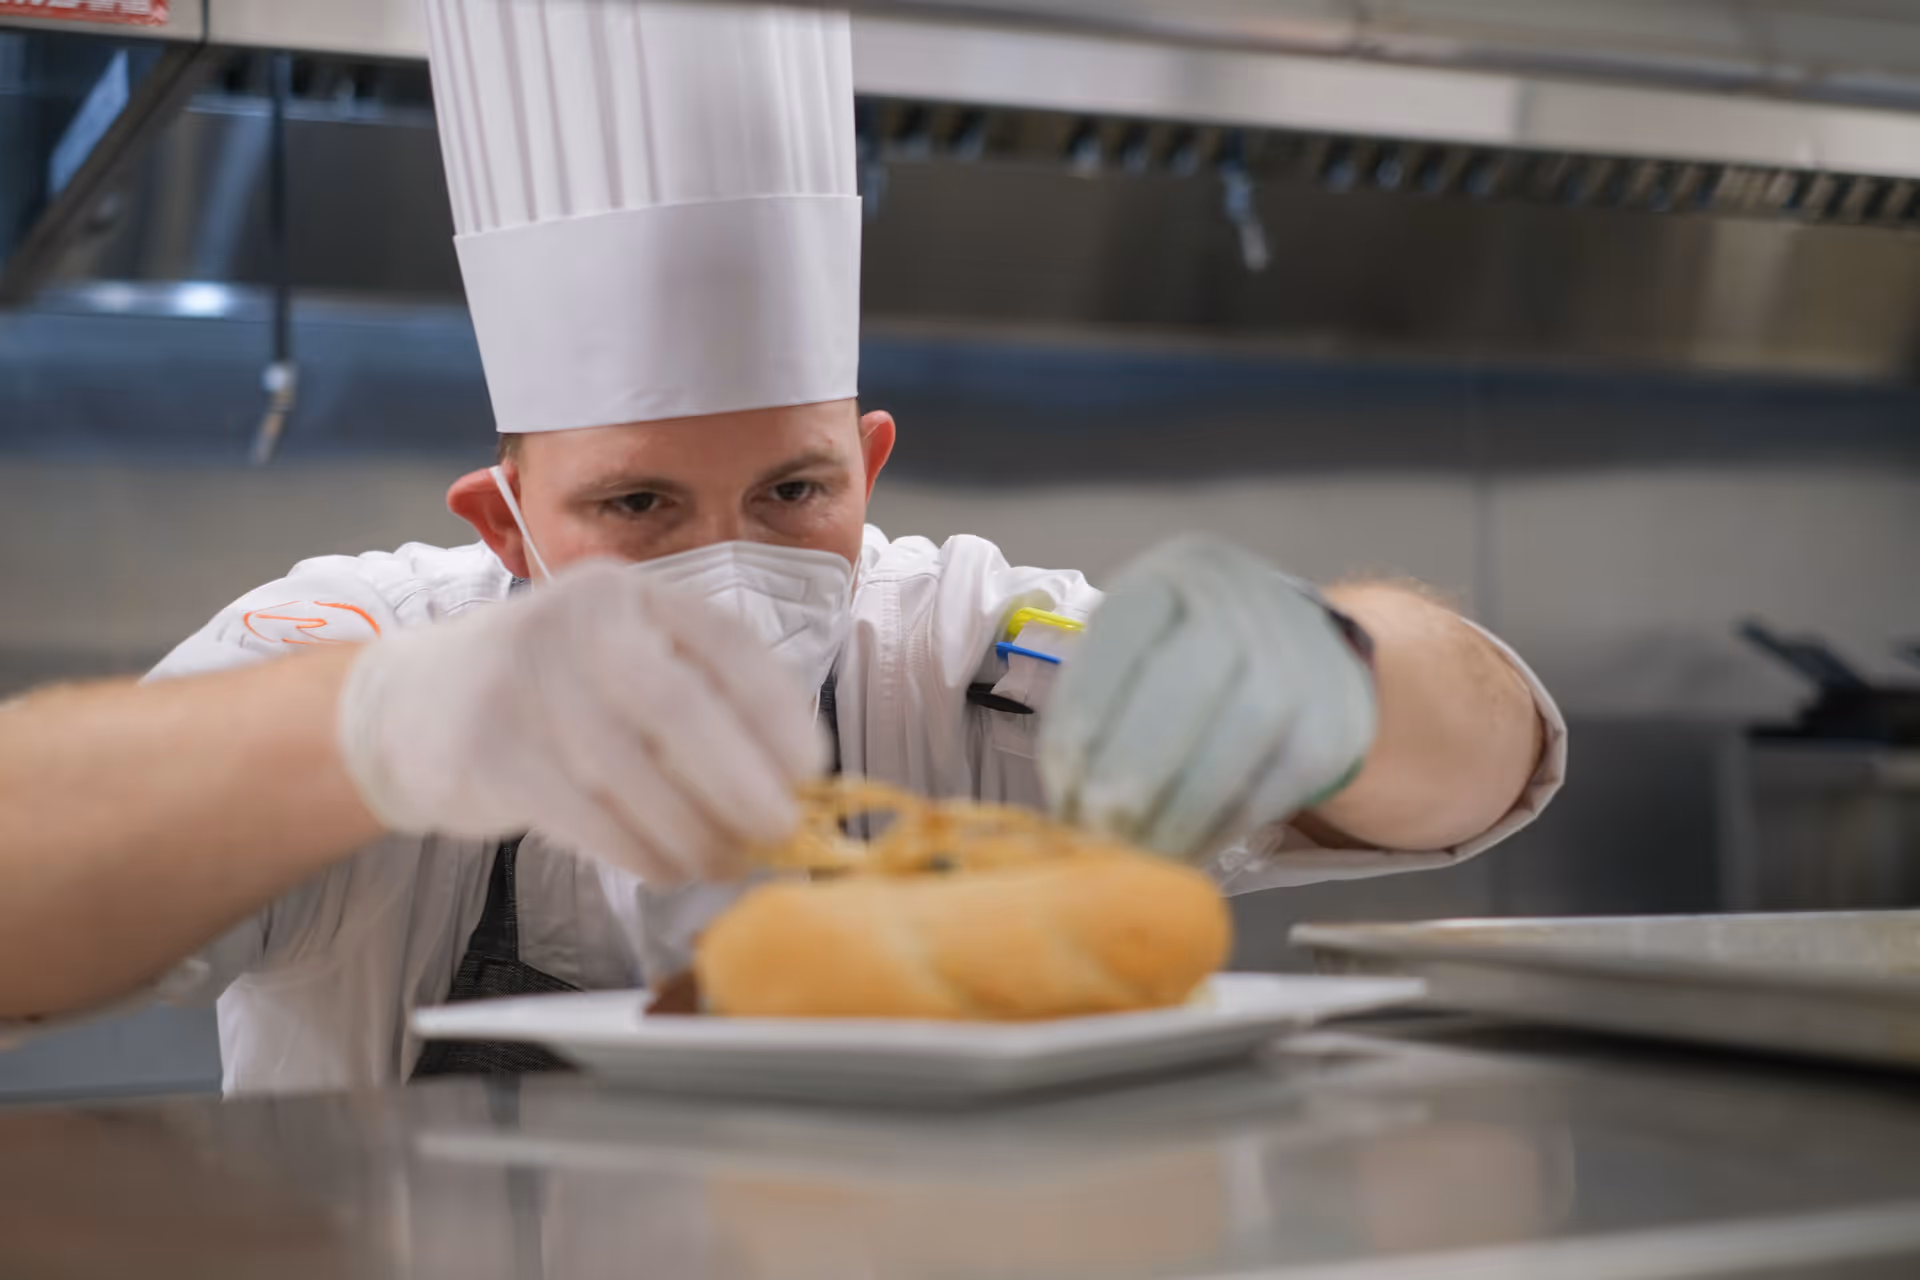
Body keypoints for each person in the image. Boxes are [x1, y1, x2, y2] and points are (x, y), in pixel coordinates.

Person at [0, 1, 1563, 1093]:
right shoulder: (358, 645)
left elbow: (1473, 773)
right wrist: (381, 737)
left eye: (795, 495)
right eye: (637, 509)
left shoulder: (966, 657)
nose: (734, 563)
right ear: (505, 519)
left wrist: (1333, 671)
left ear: (869, 469)